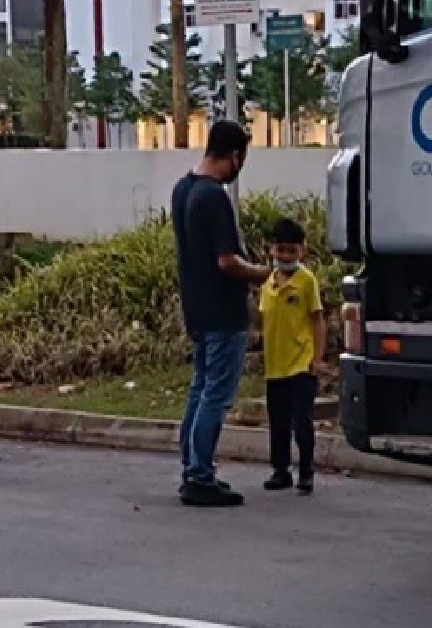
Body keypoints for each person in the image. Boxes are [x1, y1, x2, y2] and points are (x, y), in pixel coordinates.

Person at [172, 120, 271, 507]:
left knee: (200, 389)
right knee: (215, 394)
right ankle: (200, 476)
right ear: (235, 155)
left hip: (196, 308)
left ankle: (191, 467)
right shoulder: (214, 198)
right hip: (223, 312)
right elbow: (228, 262)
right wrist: (265, 274)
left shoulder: (183, 190)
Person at [258, 218, 325, 495]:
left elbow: (318, 319)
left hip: (301, 362)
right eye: (281, 250)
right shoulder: (267, 282)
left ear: (302, 252)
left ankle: (306, 471)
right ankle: (280, 470)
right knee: (279, 420)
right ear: (271, 250)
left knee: (302, 421)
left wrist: (317, 358)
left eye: (291, 251)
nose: (285, 256)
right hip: (275, 363)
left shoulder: (306, 281)